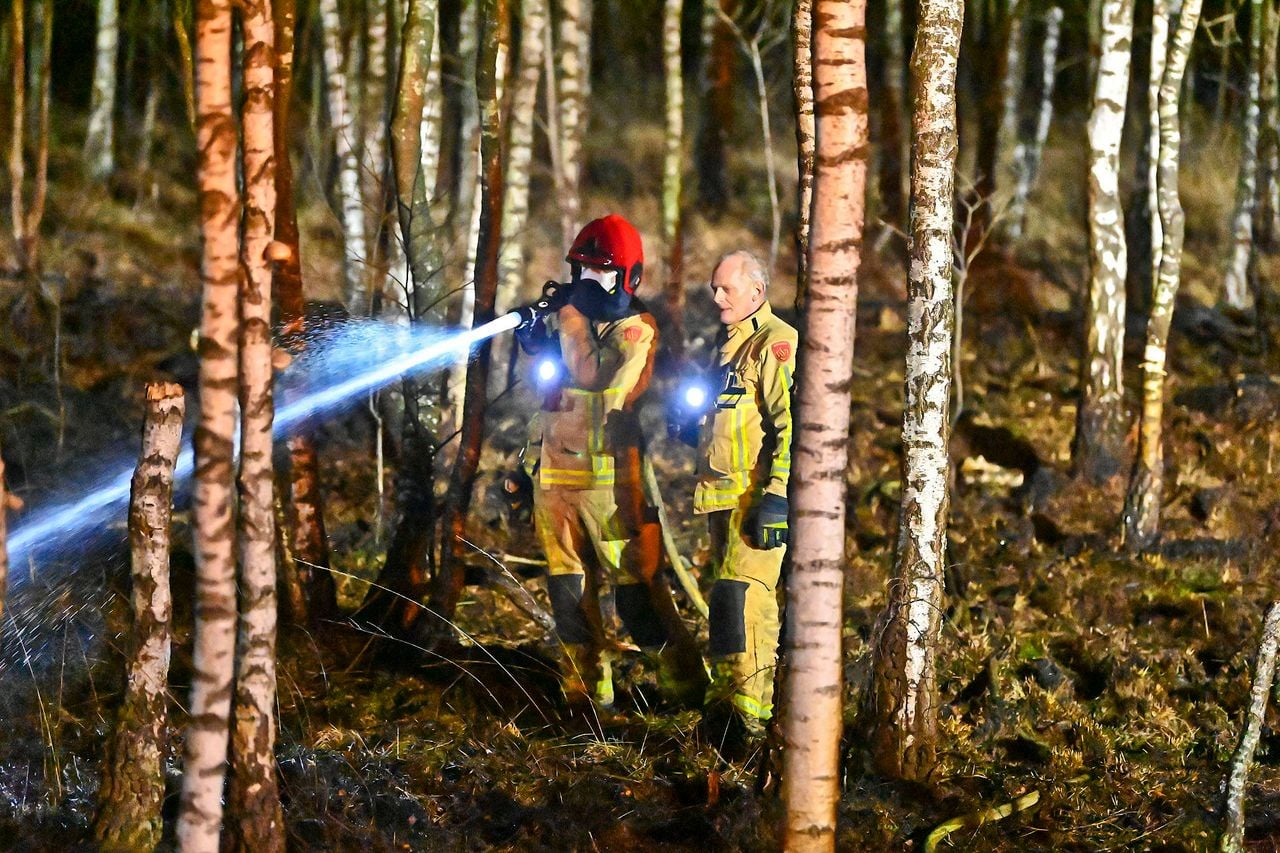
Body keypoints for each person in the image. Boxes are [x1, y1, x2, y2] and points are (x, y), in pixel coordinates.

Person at [516, 214, 707, 710]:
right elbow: (552, 387)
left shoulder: (636, 330)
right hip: (554, 479)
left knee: (638, 600)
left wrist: (569, 319)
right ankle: (585, 699)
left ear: (627, 278)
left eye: (600, 273)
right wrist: (536, 334)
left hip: (614, 488)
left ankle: (689, 694)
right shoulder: (571, 320)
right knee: (568, 594)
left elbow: (596, 378)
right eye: (580, 271)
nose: (586, 283)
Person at [673, 250, 796, 735]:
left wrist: (778, 495)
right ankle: (730, 708)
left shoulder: (776, 343)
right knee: (730, 605)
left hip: (753, 497)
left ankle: (744, 720)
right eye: (714, 287)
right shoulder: (727, 348)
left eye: (726, 287)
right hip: (721, 498)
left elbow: (792, 426)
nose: (717, 296)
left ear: (756, 292)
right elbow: (731, 420)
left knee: (742, 600)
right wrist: (691, 427)